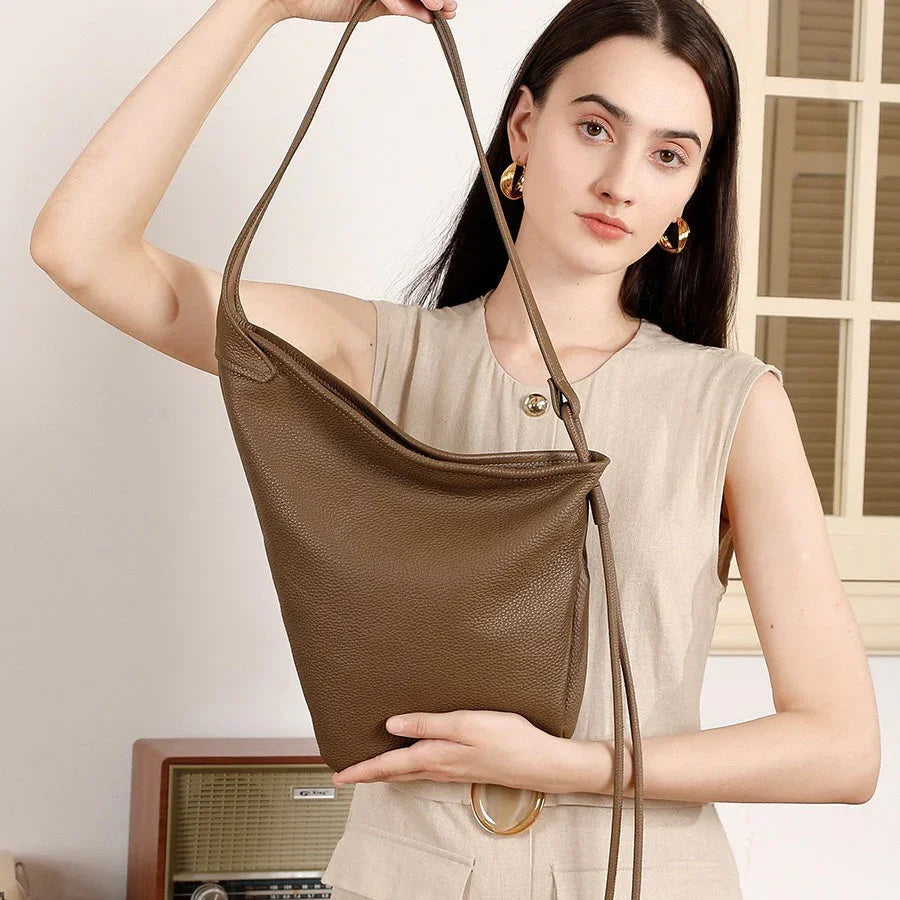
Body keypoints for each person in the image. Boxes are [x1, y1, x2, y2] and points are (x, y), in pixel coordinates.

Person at [30, 1, 880, 898]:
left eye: (669, 155)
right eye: (595, 128)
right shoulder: (375, 355)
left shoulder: (732, 403)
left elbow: (840, 748)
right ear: (524, 128)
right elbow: (81, 250)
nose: (621, 182)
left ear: (692, 192)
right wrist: (261, 6)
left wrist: (568, 766)